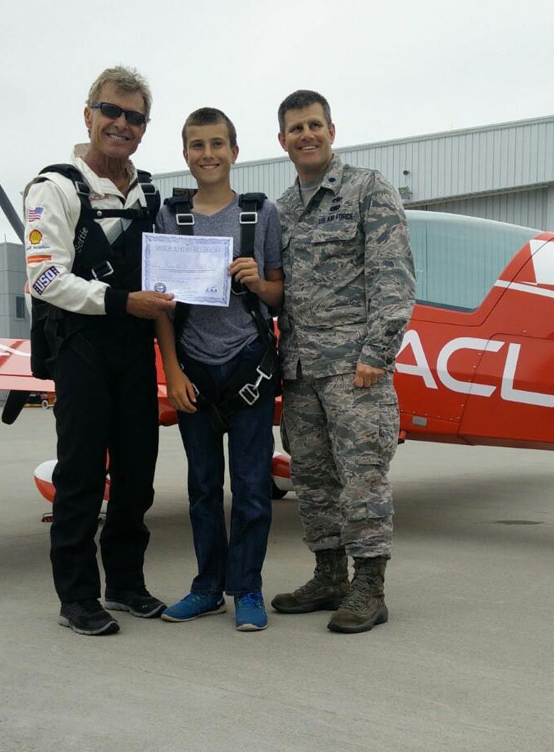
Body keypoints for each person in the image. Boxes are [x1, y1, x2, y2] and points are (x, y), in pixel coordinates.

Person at [23, 66, 175, 636]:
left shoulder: (151, 194)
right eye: (111, 111)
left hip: (136, 350)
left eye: (135, 117)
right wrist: (120, 302)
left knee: (138, 476)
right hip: (82, 347)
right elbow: (42, 280)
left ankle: (127, 584)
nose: (121, 124)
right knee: (82, 476)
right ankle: (78, 597)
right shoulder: (55, 187)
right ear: (88, 113)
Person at [270, 90, 415, 633]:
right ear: (281, 140)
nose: (305, 135)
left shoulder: (367, 189)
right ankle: (329, 576)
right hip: (300, 370)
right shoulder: (280, 210)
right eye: (295, 128)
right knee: (312, 479)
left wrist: (377, 354)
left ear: (332, 130)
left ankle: (369, 587)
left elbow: (393, 277)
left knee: (363, 478)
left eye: (314, 125)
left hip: (356, 370)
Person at [154, 108, 284, 632]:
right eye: (196, 145)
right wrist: (172, 372)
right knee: (203, 487)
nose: (207, 154)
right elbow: (161, 305)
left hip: (249, 365)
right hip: (193, 369)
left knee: (251, 486)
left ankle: (247, 588)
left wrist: (258, 282)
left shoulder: (260, 214)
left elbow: (278, 296)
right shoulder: (172, 218)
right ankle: (207, 587)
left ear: (234, 150)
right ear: (185, 155)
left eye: (217, 144)